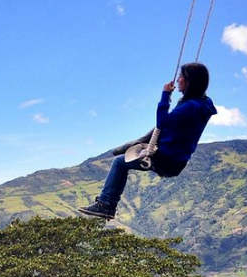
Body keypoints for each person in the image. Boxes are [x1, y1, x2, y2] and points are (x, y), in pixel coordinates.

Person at [78, 62, 217, 220]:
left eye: (181, 77)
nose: (178, 80)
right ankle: (107, 204)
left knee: (119, 163)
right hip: (177, 160)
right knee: (123, 158)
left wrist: (165, 95)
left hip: (166, 158)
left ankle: (106, 204)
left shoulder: (190, 107)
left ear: (190, 81)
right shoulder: (203, 103)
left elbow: (162, 123)